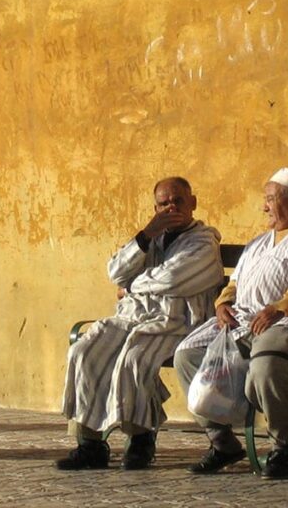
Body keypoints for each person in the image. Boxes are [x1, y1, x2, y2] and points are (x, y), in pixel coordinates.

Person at [174, 167, 288, 479]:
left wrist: (283, 307)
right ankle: (222, 442)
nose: (264, 206)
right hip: (245, 321)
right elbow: (235, 284)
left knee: (266, 362)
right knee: (187, 356)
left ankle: (285, 445)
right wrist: (223, 305)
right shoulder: (259, 242)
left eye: (270, 199)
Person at [57, 177, 224, 471]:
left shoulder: (203, 242)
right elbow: (115, 271)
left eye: (178, 201)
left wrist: (130, 287)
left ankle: (140, 440)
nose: (171, 207)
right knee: (84, 351)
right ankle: (90, 444)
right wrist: (145, 236)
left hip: (174, 322)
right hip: (131, 317)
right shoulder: (151, 239)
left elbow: (173, 279)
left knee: (134, 359)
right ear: (155, 208)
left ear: (193, 203)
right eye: (164, 204)